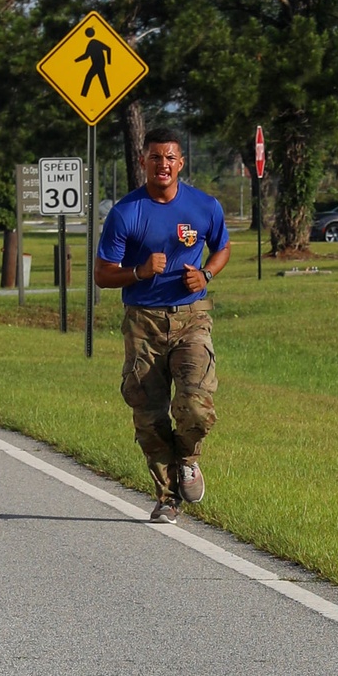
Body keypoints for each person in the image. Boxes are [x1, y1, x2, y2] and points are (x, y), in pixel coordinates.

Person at [94, 126, 231, 524]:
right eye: (155, 157)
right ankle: (168, 497)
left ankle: (188, 458)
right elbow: (103, 274)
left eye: (170, 158)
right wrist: (138, 271)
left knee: (196, 407)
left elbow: (221, 247)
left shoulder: (204, 206)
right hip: (143, 322)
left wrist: (206, 274)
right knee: (149, 415)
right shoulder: (126, 213)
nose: (163, 165)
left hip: (191, 318)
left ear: (180, 162)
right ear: (143, 162)